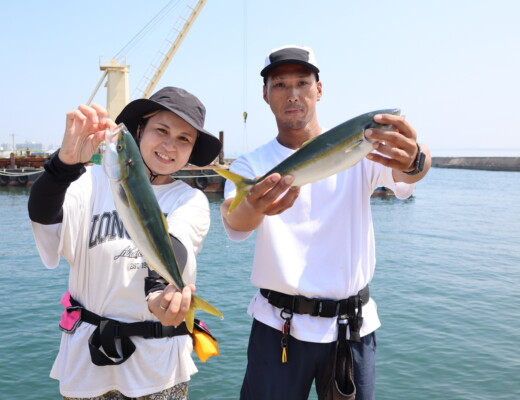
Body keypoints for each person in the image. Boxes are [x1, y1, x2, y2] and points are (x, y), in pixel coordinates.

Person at [221, 45, 431, 400]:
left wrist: (415, 158)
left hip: (352, 328)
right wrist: (257, 206)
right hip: (278, 326)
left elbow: (409, 176)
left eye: (303, 82)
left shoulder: (363, 147)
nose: (293, 94)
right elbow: (235, 222)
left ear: (319, 89)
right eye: (280, 85)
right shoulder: (252, 165)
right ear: (265, 95)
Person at [28, 86, 221, 400]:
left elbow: (175, 242)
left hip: (158, 368)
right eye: (162, 130)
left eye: (184, 138)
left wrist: (159, 293)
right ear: (140, 130)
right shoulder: (89, 181)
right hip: (87, 365)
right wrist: (63, 166)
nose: (170, 146)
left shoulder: (190, 199)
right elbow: (43, 214)